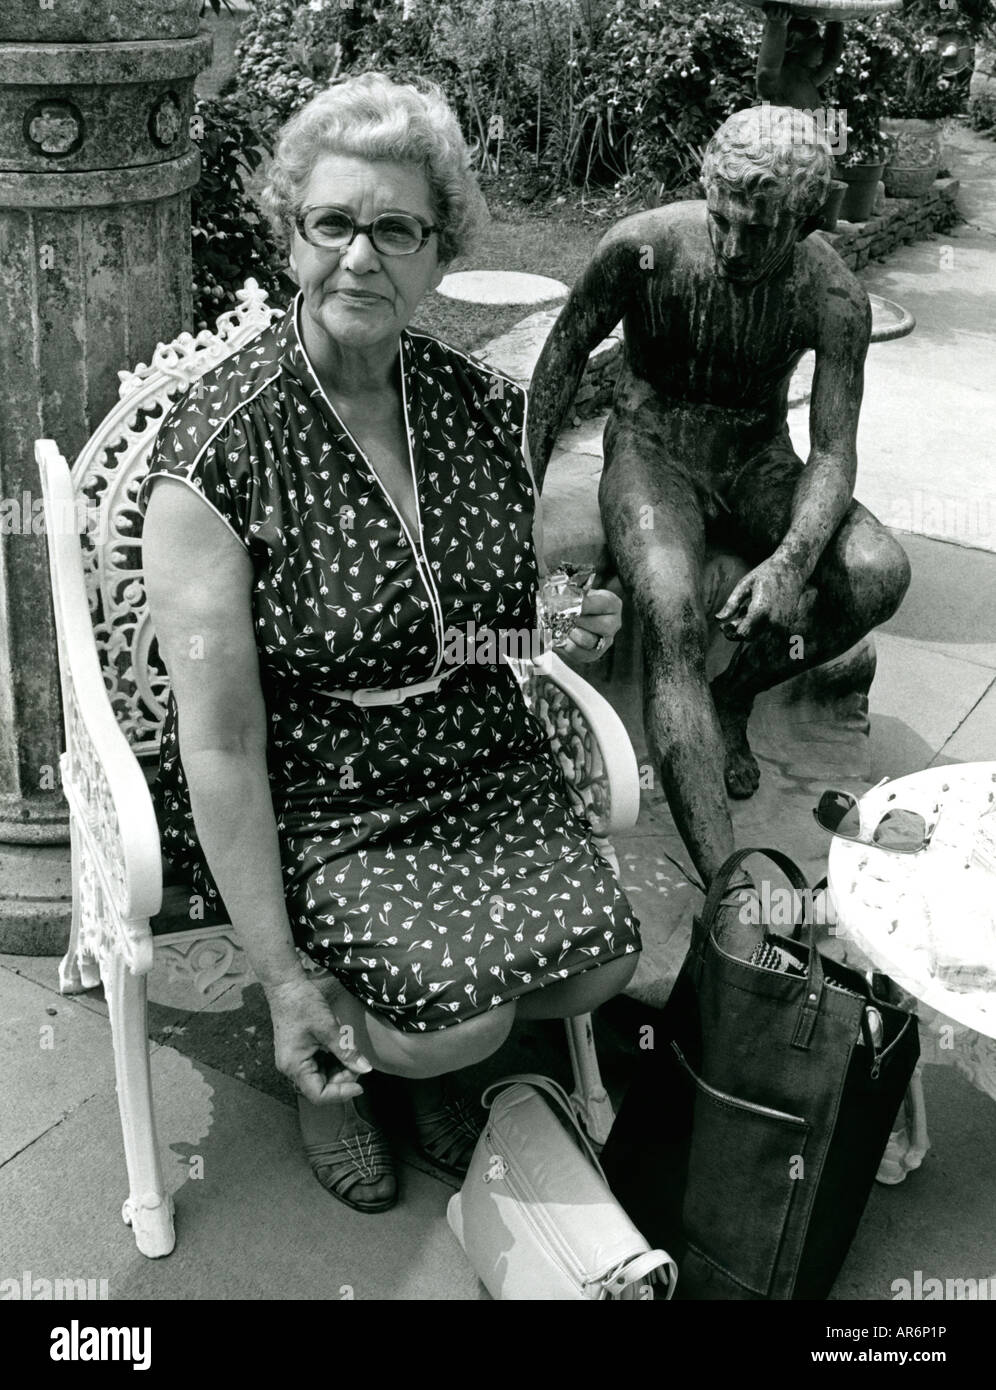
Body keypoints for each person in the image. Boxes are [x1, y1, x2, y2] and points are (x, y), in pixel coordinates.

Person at [138, 72, 640, 1215]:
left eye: (397, 228)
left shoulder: (470, 403)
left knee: (605, 962)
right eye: (334, 223)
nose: (362, 257)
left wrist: (561, 626)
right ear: (294, 236)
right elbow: (219, 740)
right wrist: (276, 981)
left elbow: (471, 621)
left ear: (438, 250)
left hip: (472, 753)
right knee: (450, 1024)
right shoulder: (223, 448)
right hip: (324, 786)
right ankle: (340, 1065)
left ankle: (422, 1053)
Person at [526, 105, 910, 895]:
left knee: (877, 571)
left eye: (761, 231)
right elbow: (560, 361)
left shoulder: (833, 296)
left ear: (805, 220)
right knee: (671, 610)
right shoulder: (644, 248)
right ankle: (730, 887)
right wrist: (515, 495)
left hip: (757, 458)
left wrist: (789, 561)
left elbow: (834, 452)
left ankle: (734, 696)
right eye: (724, 220)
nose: (735, 248)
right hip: (653, 448)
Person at [756, 3, 845, 110]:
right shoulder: (777, 83)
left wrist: (837, 19)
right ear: (793, 43)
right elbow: (768, 69)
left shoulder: (806, 78)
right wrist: (777, 26)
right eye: (815, 38)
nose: (822, 43)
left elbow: (831, 58)